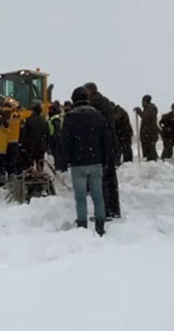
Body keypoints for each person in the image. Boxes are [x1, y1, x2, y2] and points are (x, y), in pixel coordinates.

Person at [61, 87, 112, 236]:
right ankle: (100, 226)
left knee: (81, 197)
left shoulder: (70, 117)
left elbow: (65, 142)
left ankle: (82, 226)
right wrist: (106, 159)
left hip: (78, 163)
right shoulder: (99, 116)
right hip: (96, 161)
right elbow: (106, 140)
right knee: (98, 195)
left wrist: (64, 161)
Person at [84, 82, 120, 220]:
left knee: (101, 179)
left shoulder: (95, 103)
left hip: (101, 146)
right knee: (111, 179)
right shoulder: (104, 101)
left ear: (90, 91)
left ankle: (104, 211)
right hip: (110, 144)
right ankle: (114, 209)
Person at [21, 103, 49, 171]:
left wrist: (23, 144)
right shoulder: (43, 121)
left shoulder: (28, 120)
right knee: (40, 162)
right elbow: (47, 134)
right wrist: (46, 145)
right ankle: (40, 174)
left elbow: (24, 134)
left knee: (29, 163)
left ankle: (30, 175)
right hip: (41, 145)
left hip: (30, 145)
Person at [134, 95, 159, 161]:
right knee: (149, 147)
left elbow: (145, 117)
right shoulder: (149, 107)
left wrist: (139, 111)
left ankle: (152, 160)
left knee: (150, 147)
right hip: (149, 131)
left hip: (149, 132)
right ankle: (151, 159)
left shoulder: (150, 107)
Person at [2, 101, 22, 179]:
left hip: (5, 140)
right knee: (13, 159)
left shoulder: (3, 115)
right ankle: (12, 174)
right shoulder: (16, 115)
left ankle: (6, 174)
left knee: (4, 160)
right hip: (15, 140)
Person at [48, 102, 66, 171]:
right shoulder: (55, 117)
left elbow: (57, 129)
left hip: (55, 138)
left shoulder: (55, 119)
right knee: (56, 153)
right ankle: (58, 165)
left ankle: (58, 166)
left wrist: (55, 138)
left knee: (56, 153)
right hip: (55, 137)